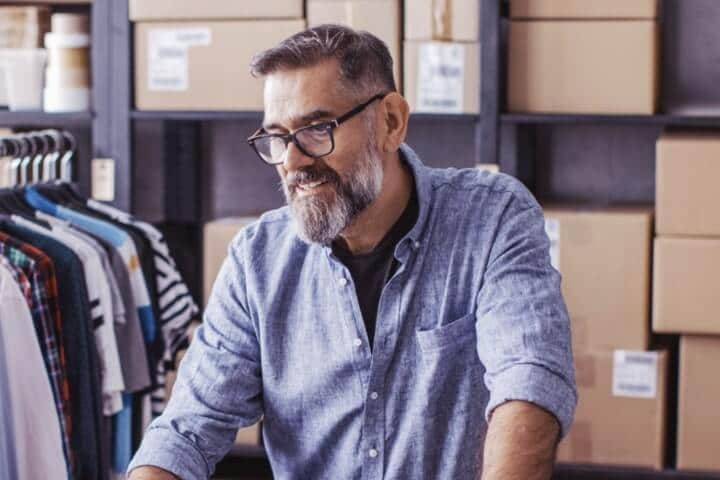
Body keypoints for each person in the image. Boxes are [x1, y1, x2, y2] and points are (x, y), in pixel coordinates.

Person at [128, 25, 576, 480]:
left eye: (317, 129)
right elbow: (187, 430)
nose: (292, 161)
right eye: (278, 137)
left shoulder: (491, 216)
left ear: (391, 122)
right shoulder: (256, 260)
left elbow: (528, 378)